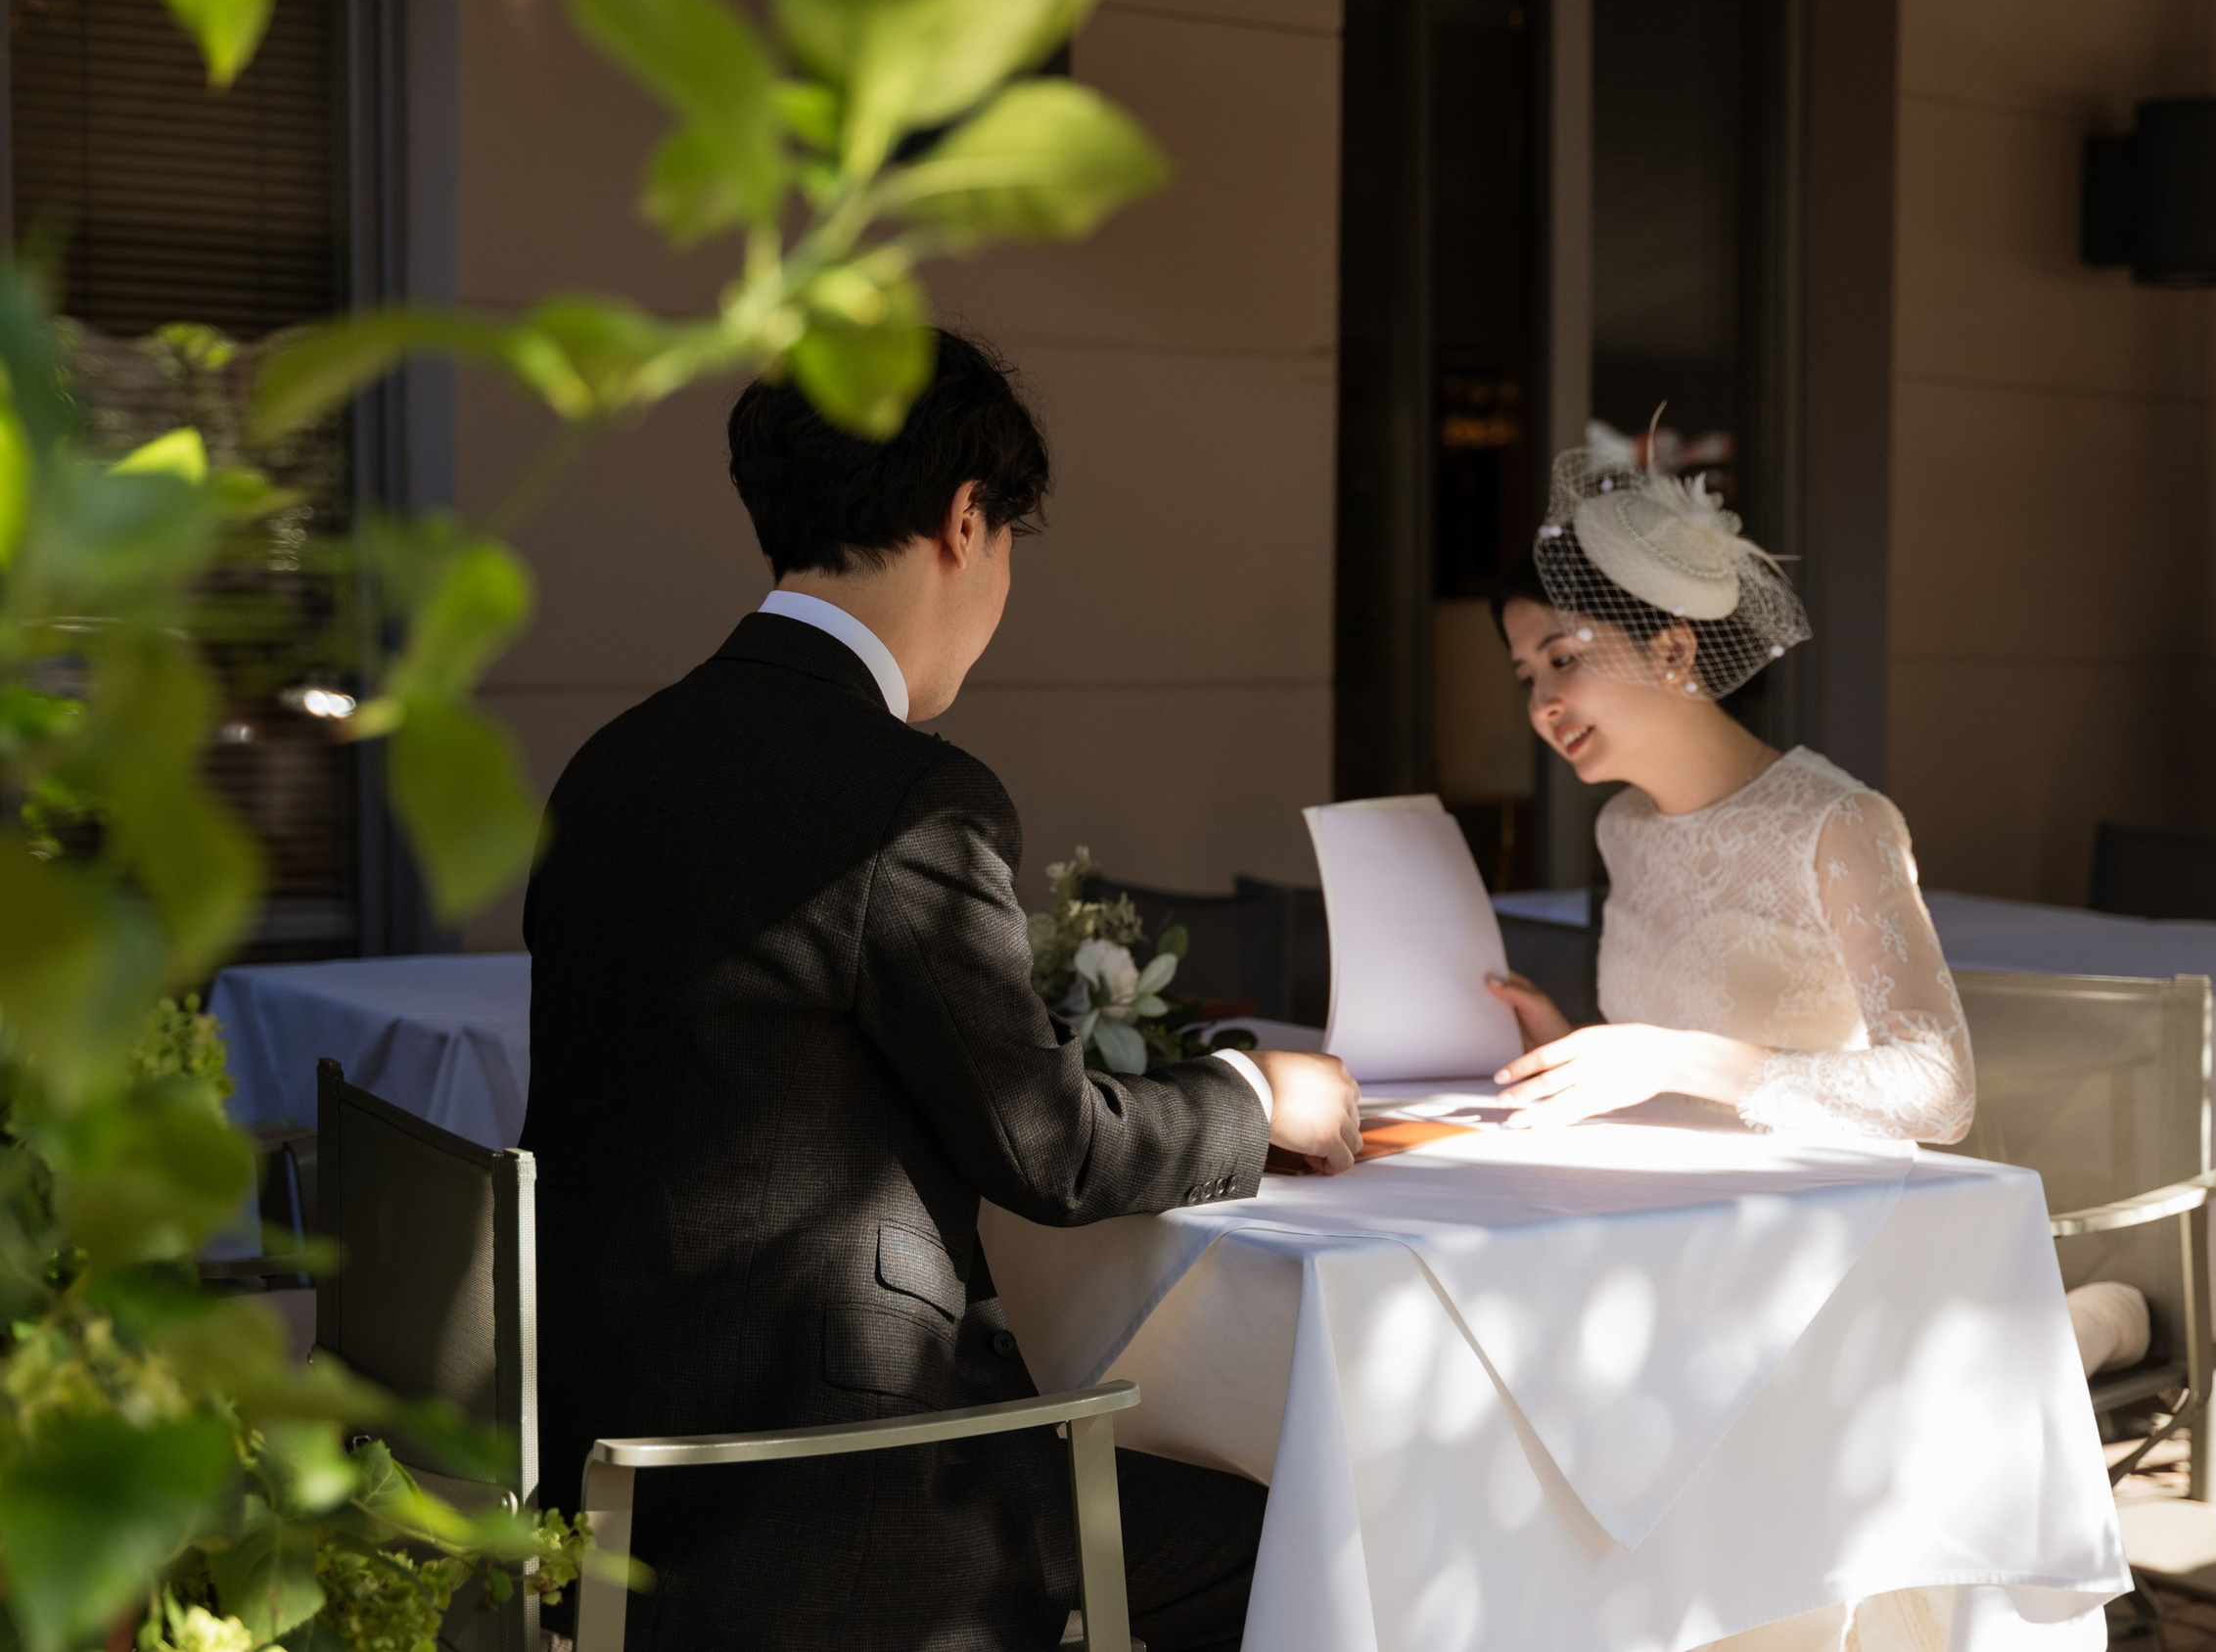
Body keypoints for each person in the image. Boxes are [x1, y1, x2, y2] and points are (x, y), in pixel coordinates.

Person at [522, 329, 1362, 1652]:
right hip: (831, 1507)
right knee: (1310, 1539)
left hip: (613, 1483)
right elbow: (1054, 1151)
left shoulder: (613, 765)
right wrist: (1259, 1094)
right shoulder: (908, 799)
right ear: (967, 521)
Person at [1482, 426, 1973, 1144]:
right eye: (1527, 676)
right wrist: (1571, 1046)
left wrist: (1673, 1056)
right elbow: (1671, 1074)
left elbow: (1941, 1093)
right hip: (1663, 1194)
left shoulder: (1838, 821)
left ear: (1674, 648)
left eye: (1563, 659)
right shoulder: (1622, 824)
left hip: (1821, 1211)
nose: (1541, 704)